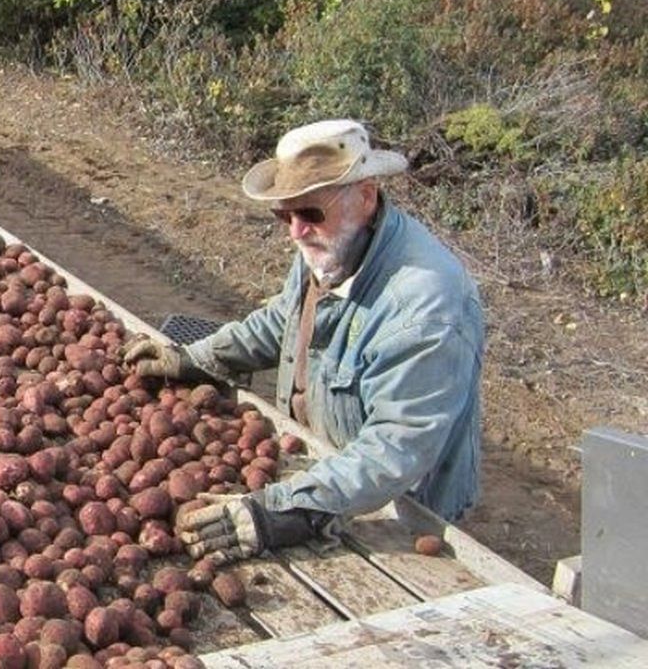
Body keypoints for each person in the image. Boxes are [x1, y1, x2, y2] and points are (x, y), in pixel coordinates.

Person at [121, 119, 483, 565]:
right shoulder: (334, 244)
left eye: (310, 213)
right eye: (283, 215)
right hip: (318, 467)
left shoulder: (424, 308)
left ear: (366, 196)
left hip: (396, 509)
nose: (295, 231)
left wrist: (279, 514)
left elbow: (395, 451)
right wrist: (193, 358)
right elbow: (284, 320)